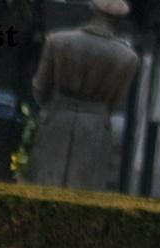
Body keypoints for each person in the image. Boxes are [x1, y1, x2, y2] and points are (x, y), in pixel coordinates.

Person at [27, 0, 138, 190]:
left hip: (57, 117)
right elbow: (115, 102)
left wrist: (55, 106)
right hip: (96, 126)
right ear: (120, 18)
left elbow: (39, 88)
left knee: (45, 183)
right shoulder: (128, 58)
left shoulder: (57, 41)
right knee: (86, 186)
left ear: (93, 8)